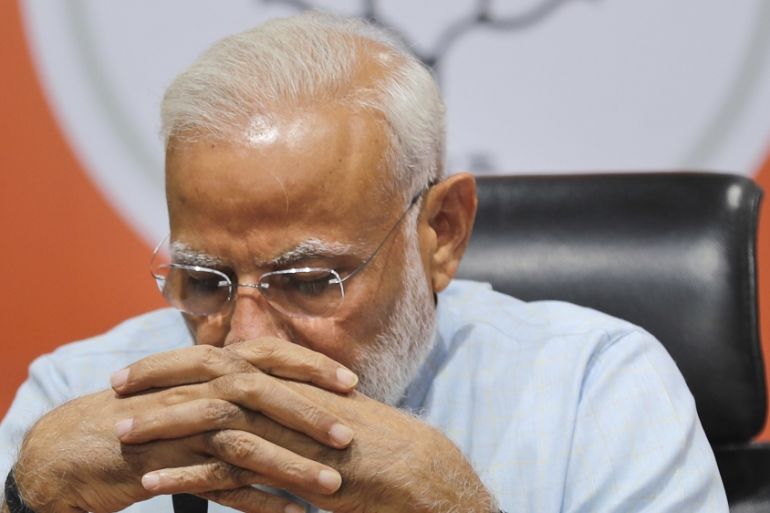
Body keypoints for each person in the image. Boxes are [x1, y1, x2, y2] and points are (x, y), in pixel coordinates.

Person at [0, 11, 727, 513]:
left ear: (441, 231)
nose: (245, 340)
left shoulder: (594, 390)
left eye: (309, 281)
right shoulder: (76, 395)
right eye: (204, 281)